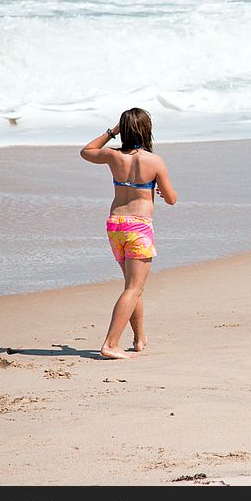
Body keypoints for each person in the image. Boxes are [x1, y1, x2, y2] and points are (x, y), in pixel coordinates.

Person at [80, 108, 177, 359]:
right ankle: (110, 344)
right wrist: (159, 192)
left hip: (115, 224)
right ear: (147, 130)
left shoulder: (113, 157)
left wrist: (111, 132)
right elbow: (172, 199)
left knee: (132, 286)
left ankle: (139, 338)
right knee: (134, 287)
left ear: (124, 129)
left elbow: (86, 151)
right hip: (138, 225)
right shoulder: (154, 161)